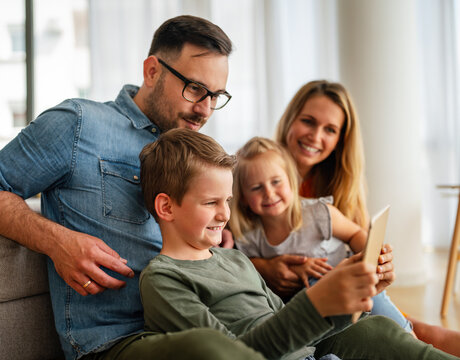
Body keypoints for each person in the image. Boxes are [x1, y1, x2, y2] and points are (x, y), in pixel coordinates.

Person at [0, 15, 267, 360]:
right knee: (210, 348)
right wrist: (57, 242)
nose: (205, 109)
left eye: (216, 96)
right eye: (195, 89)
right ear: (152, 71)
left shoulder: (192, 146)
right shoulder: (78, 125)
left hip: (204, 317)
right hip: (120, 340)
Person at [138, 127, 458, 360]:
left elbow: (283, 318)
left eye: (228, 200)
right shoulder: (163, 279)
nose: (225, 214)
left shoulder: (235, 260)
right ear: (167, 207)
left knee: (378, 330)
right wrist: (319, 303)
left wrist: (353, 297)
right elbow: (228, 354)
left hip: (313, 350)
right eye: (211, 203)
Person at [255, 79, 460, 356]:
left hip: (348, 294)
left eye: (330, 129)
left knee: (423, 330)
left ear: (341, 139)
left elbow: (359, 240)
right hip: (297, 304)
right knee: (411, 334)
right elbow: (221, 248)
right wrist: (266, 267)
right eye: (308, 121)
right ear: (290, 120)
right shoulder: (254, 176)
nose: (316, 136)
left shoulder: (334, 191)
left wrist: (379, 262)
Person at [230, 136, 414, 334]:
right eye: (256, 188)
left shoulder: (318, 213)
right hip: (310, 305)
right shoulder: (249, 236)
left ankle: (409, 336)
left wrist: (373, 256)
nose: (269, 193)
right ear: (243, 198)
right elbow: (247, 264)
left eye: (276, 182)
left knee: (379, 305)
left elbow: (354, 234)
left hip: (346, 283)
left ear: (291, 181)